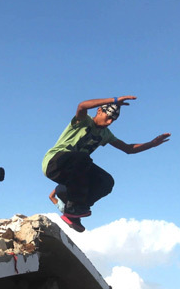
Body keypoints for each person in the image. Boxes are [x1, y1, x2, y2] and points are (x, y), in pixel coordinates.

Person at [42, 96, 171, 232]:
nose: (109, 122)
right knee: (83, 158)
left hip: (72, 171)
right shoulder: (83, 121)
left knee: (106, 181)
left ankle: (73, 212)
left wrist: (151, 144)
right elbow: (82, 106)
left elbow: (128, 149)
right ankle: (74, 204)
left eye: (113, 120)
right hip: (54, 162)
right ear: (99, 111)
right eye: (108, 117)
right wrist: (113, 100)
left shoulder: (106, 134)